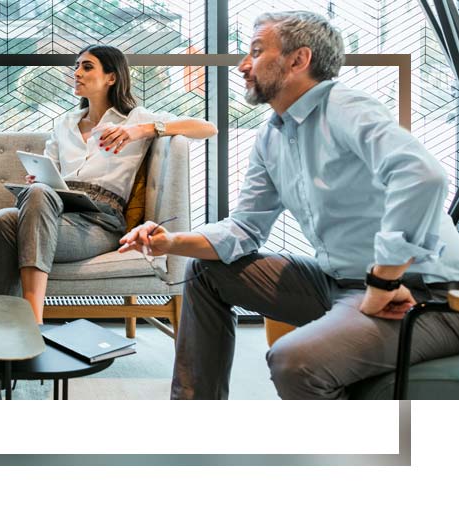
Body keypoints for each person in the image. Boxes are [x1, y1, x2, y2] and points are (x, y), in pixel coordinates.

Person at [118, 11, 459, 399]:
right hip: (338, 283)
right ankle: (197, 423)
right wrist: (169, 241)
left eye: (257, 52)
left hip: (424, 296)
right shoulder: (273, 136)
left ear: (299, 60)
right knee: (206, 273)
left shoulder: (345, 107)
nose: (243, 65)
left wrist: (384, 279)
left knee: (293, 360)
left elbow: (421, 176)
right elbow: (244, 228)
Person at [0, 45, 217, 324]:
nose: (77, 73)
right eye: (76, 67)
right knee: (4, 218)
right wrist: (40, 180)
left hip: (101, 221)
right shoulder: (65, 124)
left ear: (111, 77)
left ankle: (31, 322)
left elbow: (207, 128)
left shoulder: (136, 119)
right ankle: (2, 324)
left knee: (18, 215)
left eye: (87, 67)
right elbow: (50, 172)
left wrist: (142, 130)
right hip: (58, 211)